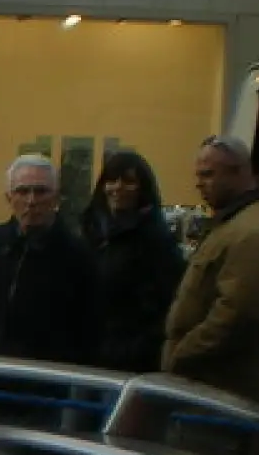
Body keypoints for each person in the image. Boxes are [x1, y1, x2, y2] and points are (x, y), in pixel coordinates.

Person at [163, 135, 259, 406]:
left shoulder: (253, 233)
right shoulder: (235, 224)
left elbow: (238, 315)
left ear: (239, 172)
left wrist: (181, 353)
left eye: (208, 174)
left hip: (226, 392)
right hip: (212, 387)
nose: (199, 183)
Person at [0, 153, 99, 365]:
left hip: (46, 379)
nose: (31, 201)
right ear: (9, 197)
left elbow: (89, 323)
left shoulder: (77, 253)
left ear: (56, 198)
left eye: (40, 191)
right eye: (23, 191)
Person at [79, 150, 188, 376]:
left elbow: (168, 300)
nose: (118, 188)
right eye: (112, 180)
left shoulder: (156, 241)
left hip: (129, 360)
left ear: (142, 188)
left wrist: (137, 347)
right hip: (85, 353)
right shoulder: (90, 233)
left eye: (128, 181)